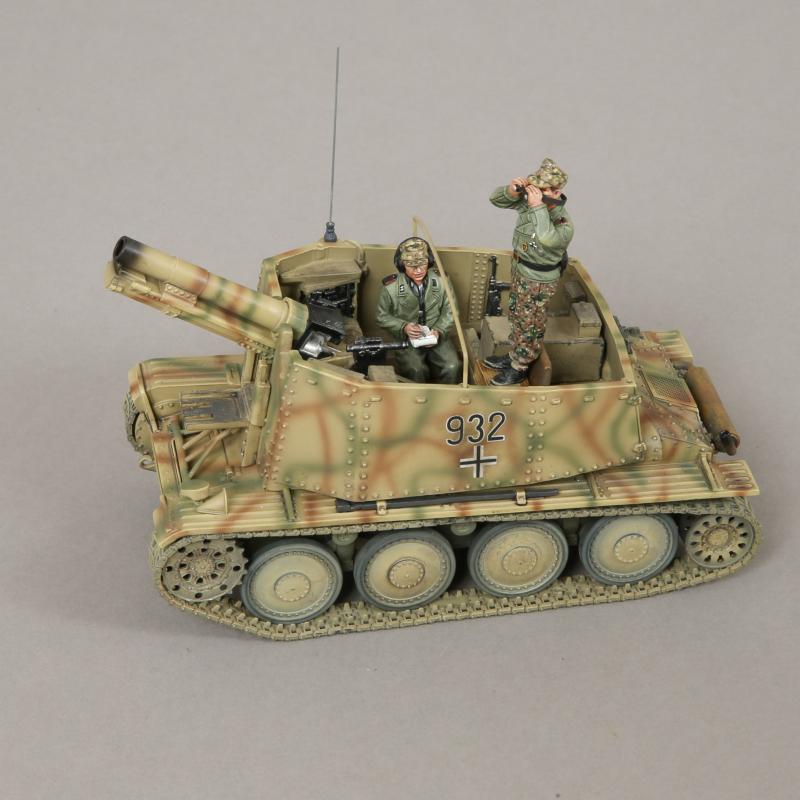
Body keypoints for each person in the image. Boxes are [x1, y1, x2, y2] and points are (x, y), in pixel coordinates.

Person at [486, 158, 574, 386]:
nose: (535, 193)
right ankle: (514, 355)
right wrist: (511, 191)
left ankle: (520, 365)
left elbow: (546, 238)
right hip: (521, 269)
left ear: (556, 192)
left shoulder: (562, 222)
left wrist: (537, 207)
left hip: (538, 279)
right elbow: (495, 200)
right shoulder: (530, 205)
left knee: (530, 322)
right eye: (535, 187)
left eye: (543, 190)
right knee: (517, 314)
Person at [376, 237, 461, 384]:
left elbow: (451, 311)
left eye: (422, 263)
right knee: (415, 370)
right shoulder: (391, 287)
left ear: (429, 261)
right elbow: (381, 316)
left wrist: (439, 331)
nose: (418, 270)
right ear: (402, 265)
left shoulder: (442, 281)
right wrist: (404, 327)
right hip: (407, 339)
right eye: (411, 265)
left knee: (453, 367)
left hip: (436, 333)